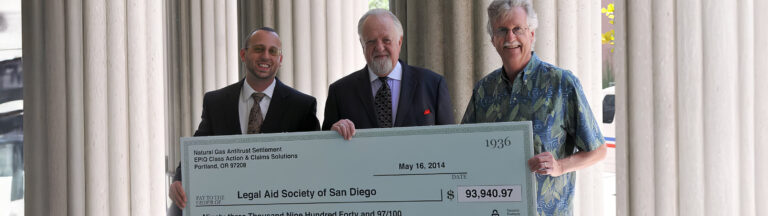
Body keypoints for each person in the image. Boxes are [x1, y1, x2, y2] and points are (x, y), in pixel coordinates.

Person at [462, 0, 607, 215]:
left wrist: (560, 166)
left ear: (531, 34)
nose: (510, 38)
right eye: (502, 30)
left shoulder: (561, 83)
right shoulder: (484, 89)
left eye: (517, 29)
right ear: (493, 40)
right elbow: (465, 148)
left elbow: (598, 151)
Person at [168, 27, 320, 213]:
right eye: (258, 49)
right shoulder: (216, 102)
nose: (265, 56)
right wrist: (179, 179)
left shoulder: (302, 106)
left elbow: (314, 163)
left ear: (280, 60)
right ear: (243, 54)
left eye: (273, 51)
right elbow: (198, 147)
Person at [323, 9, 454, 139]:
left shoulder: (433, 85)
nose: (379, 48)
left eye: (386, 40)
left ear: (399, 42)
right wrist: (332, 134)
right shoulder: (340, 92)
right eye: (371, 41)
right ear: (362, 45)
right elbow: (324, 148)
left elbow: (450, 141)